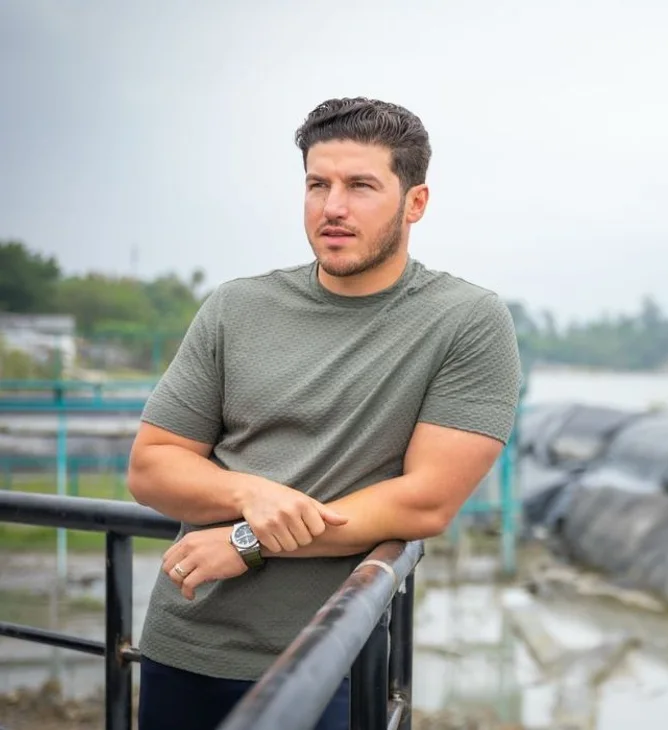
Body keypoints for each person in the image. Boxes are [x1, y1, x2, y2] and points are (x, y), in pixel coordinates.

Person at [125, 97, 523, 730]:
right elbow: (152, 468)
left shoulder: (466, 320)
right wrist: (251, 492)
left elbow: (425, 502)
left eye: (360, 186)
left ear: (415, 202)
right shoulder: (237, 307)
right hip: (186, 640)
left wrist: (247, 541)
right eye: (318, 184)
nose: (333, 207)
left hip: (331, 656)